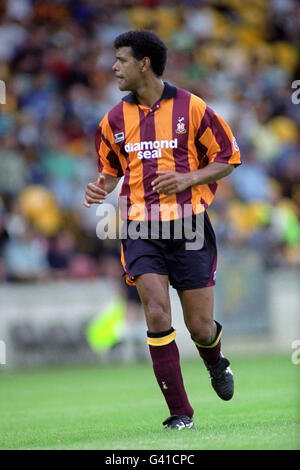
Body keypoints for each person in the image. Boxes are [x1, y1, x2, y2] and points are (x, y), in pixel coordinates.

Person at [84, 30, 241, 430]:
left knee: (200, 327)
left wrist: (188, 180)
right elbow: (111, 171)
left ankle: (214, 359)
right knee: (156, 313)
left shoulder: (193, 107)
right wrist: (100, 186)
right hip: (139, 227)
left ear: (144, 64)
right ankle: (180, 412)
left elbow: (229, 157)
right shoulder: (113, 119)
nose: (114, 67)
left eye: (120, 59)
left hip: (189, 225)